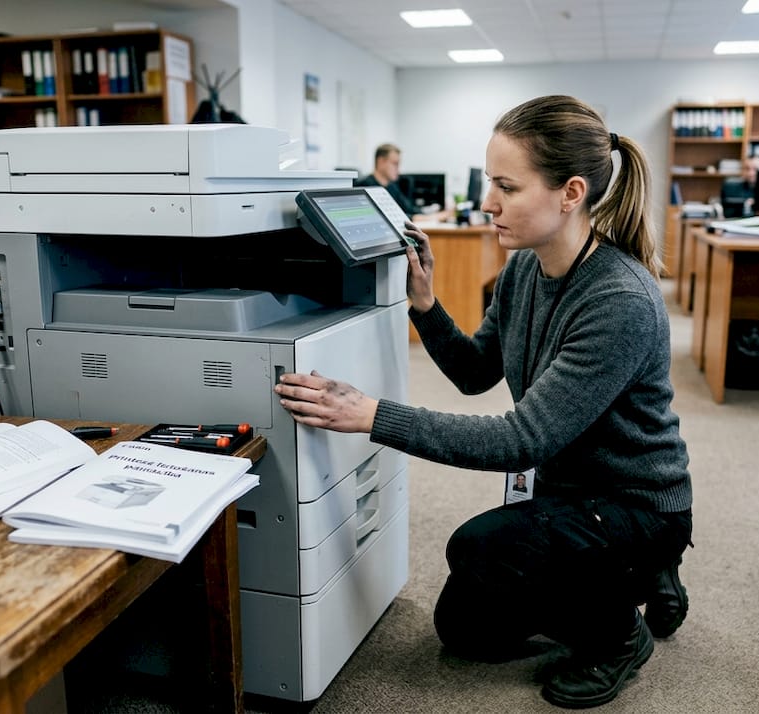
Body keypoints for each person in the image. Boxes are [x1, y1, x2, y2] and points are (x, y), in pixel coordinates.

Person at [274, 95, 692, 709]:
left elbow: (521, 440)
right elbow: (475, 373)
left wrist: (372, 416)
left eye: (507, 186)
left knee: (480, 546)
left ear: (570, 193)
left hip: (635, 502)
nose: (487, 201)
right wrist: (426, 306)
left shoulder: (619, 299)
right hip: (567, 493)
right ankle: (622, 580)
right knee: (465, 632)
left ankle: (621, 634)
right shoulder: (525, 269)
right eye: (489, 181)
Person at [355, 143, 449, 222]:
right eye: (395, 164)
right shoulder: (364, 186)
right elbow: (389, 218)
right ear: (381, 161)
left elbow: (409, 209)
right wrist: (432, 218)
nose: (398, 169)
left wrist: (434, 213)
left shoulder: (391, 186)